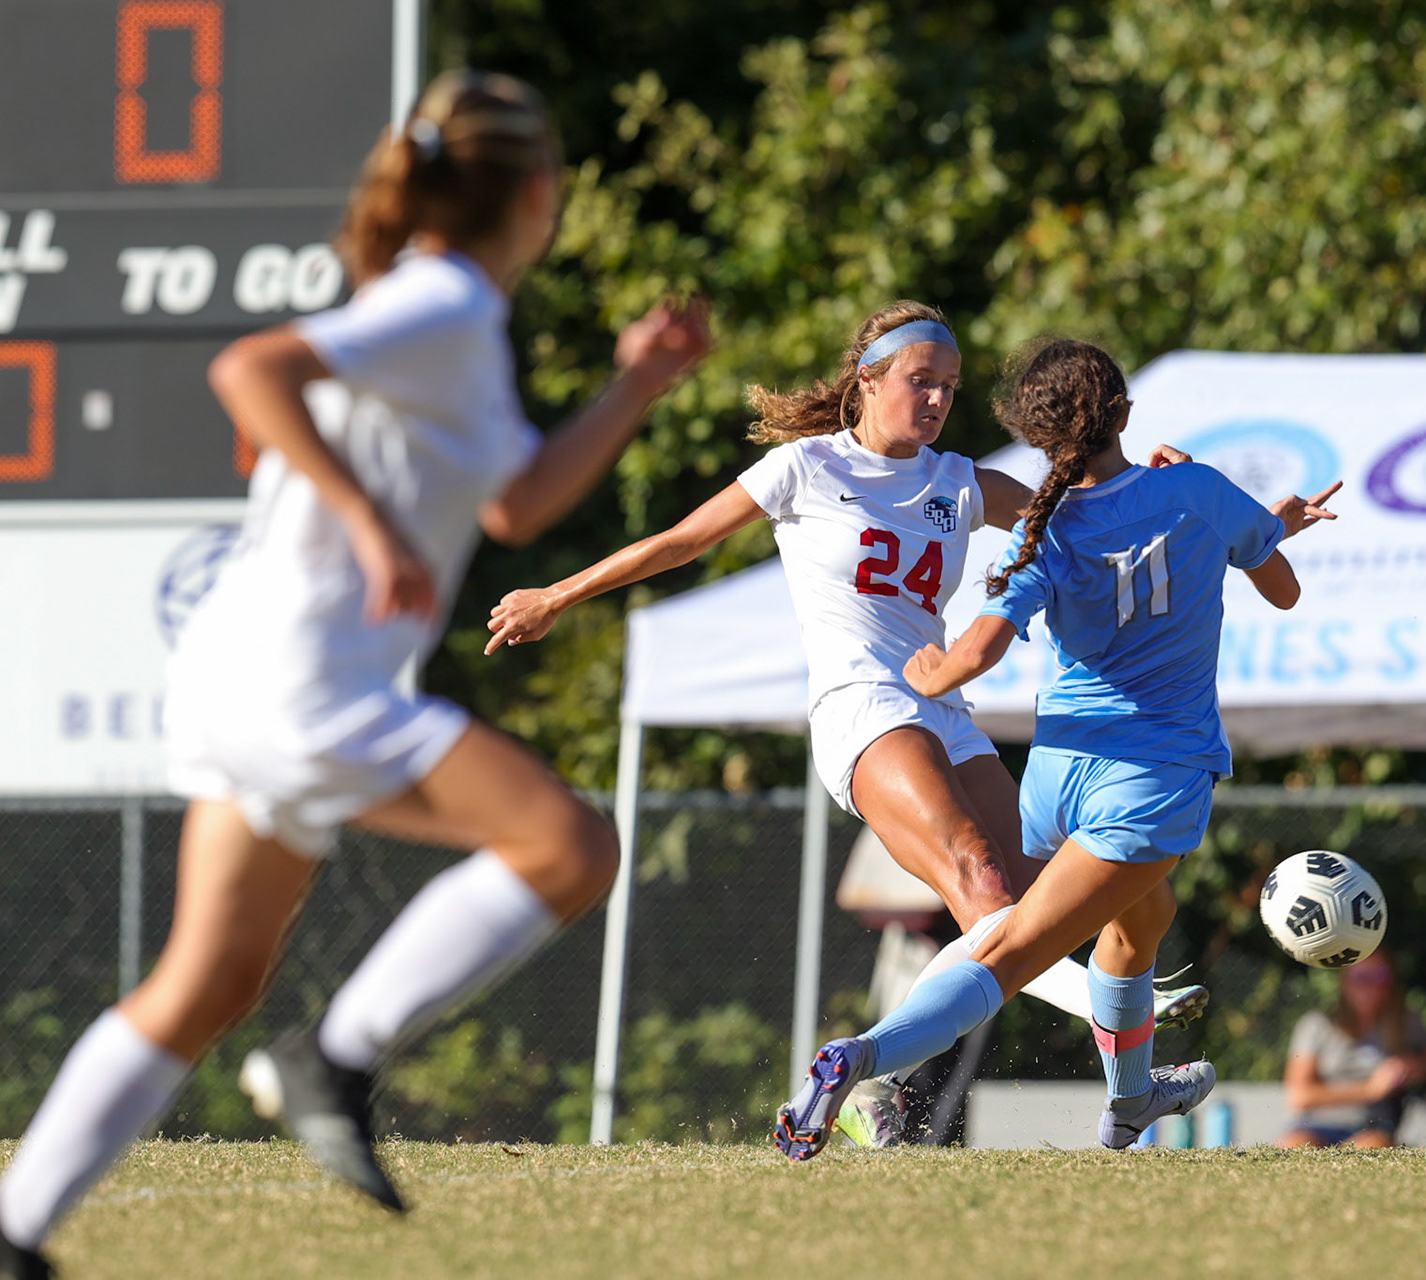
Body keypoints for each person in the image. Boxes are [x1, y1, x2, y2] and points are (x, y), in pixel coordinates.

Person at [0, 71, 710, 1279]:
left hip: (243, 675)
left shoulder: (455, 322)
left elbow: (518, 499)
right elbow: (252, 370)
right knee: (571, 848)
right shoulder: (438, 300)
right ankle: (337, 1055)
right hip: (302, 677)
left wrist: (636, 386)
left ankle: (14, 1235)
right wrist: (368, 526)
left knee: (203, 982)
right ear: (537, 195)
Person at [484, 304, 1208, 1146]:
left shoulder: (958, 482)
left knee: (1036, 897)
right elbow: (679, 543)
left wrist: (1152, 481)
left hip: (945, 708)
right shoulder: (804, 467)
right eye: (920, 381)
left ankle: (869, 1086)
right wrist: (555, 595)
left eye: (949, 386)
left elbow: (1084, 516)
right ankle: (1108, 1012)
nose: (936, 400)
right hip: (862, 706)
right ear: (867, 378)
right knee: (982, 884)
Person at [770, 337, 1341, 1159]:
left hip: (1061, 776)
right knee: (1005, 953)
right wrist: (1258, 534)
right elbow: (1281, 589)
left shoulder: (1045, 528)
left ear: (1036, 438)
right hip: (1153, 777)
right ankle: (861, 1064)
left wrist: (938, 671)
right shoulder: (1196, 489)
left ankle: (1133, 1097)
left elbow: (982, 646)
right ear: (1126, 413)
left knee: (1142, 919)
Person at [1276, 951, 1426, 1148]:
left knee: (1373, 1147)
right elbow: (1299, 1096)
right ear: (1345, 981)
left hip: (1372, 1127)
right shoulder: (1318, 1025)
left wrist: (1415, 1066)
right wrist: (1369, 1089)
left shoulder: (1407, 1023)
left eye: (1381, 976)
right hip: (1315, 1125)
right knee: (1294, 1146)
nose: (1372, 986)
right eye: (1362, 977)